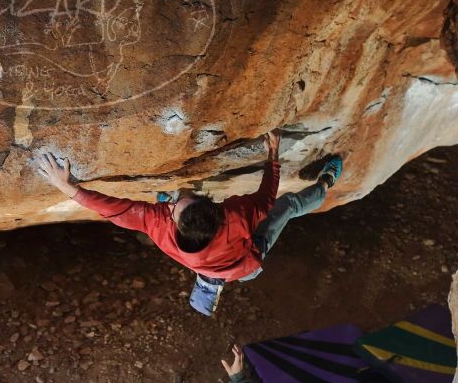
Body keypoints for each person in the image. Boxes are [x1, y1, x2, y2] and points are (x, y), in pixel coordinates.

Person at [36, 130, 343, 316]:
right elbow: (265, 198)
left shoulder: (160, 225)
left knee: (285, 209)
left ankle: (210, 281)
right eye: (174, 203)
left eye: (174, 205)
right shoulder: (235, 216)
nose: (172, 203)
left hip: (222, 258)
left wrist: (68, 188)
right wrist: (272, 153)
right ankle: (325, 185)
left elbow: (115, 210)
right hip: (246, 263)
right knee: (286, 208)